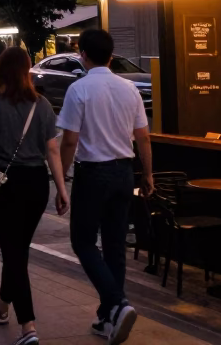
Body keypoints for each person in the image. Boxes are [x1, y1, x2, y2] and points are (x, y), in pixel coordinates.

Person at [0, 48, 69, 345]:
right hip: (36, 184)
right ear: (27, 71)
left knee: (14, 253)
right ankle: (2, 302)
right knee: (17, 250)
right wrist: (62, 190)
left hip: (5, 184)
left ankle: (28, 327)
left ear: (0, 70)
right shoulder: (42, 105)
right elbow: (52, 150)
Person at [58, 29, 152, 345]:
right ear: (111, 55)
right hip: (125, 172)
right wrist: (149, 175)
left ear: (82, 54)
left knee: (83, 242)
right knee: (114, 245)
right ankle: (107, 316)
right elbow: (143, 137)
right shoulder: (130, 89)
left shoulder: (79, 89)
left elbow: (69, 140)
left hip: (93, 173)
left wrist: (61, 176)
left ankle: (118, 303)